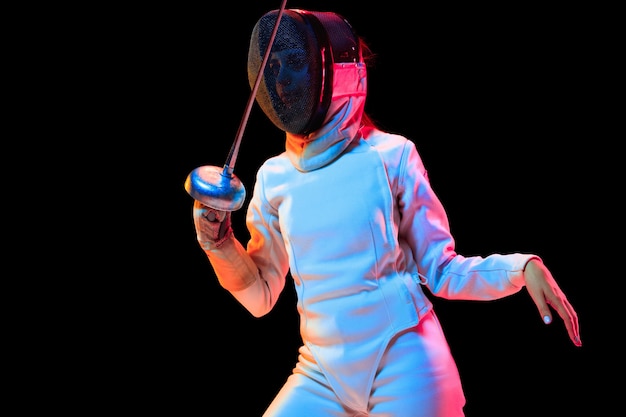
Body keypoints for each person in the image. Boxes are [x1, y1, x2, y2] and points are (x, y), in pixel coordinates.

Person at [189, 8, 582, 417]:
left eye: (295, 62)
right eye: (272, 65)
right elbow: (259, 296)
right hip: (322, 371)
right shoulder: (274, 177)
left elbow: (442, 270)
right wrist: (219, 244)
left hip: (405, 362)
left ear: (335, 74)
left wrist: (521, 269)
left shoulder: (391, 156)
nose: (281, 79)